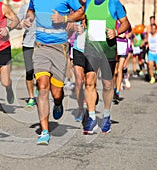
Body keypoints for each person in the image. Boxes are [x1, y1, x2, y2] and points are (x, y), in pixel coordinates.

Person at [23, 0, 85, 145]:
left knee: (56, 93)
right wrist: (29, 19)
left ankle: (58, 103)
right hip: (40, 46)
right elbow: (31, 11)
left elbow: (82, 12)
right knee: (42, 87)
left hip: (59, 47)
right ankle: (45, 131)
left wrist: (64, 19)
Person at [82, 0, 130, 135]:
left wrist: (116, 31)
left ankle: (107, 115)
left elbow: (126, 23)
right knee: (89, 80)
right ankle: (91, 118)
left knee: (107, 84)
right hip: (91, 47)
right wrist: (82, 26)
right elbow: (84, 21)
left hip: (108, 49)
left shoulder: (114, 3)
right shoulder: (88, 3)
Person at [16, 2, 36, 107]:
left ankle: (40, 88)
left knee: (41, 70)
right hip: (28, 43)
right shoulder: (25, 7)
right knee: (29, 71)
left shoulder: (46, 4)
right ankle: (31, 97)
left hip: (41, 44)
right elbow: (17, 24)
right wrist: (22, 24)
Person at [114, 17, 131, 103]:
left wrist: (126, 35)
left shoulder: (126, 23)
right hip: (115, 46)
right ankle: (114, 88)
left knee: (120, 69)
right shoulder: (113, 22)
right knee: (115, 71)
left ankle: (117, 91)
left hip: (123, 46)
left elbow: (129, 33)